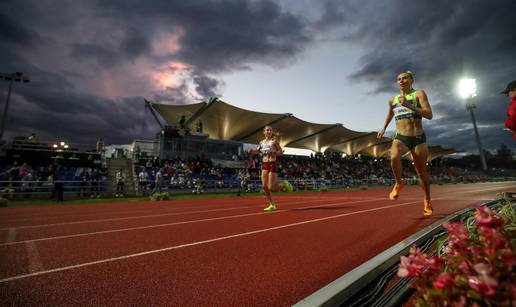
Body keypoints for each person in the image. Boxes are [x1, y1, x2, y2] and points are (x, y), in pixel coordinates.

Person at [377, 71, 434, 216]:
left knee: (422, 174)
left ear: (411, 80)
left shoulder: (419, 94)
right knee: (394, 157)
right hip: (401, 136)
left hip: (418, 138)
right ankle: (398, 182)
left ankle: (427, 200)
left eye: (404, 78)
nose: (401, 81)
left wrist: (409, 105)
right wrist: (383, 128)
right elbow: (390, 113)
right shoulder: (393, 100)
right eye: (398, 79)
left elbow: (429, 115)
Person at [248, 126, 293, 211]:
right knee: (264, 187)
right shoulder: (261, 142)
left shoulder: (274, 142)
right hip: (264, 164)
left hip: (272, 164)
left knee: (271, 188)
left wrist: (274, 153)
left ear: (272, 132)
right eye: (267, 130)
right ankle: (272, 205)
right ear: (264, 132)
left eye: (270, 130)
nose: (269, 131)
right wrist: (252, 151)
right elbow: (258, 151)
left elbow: (280, 152)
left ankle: (284, 184)